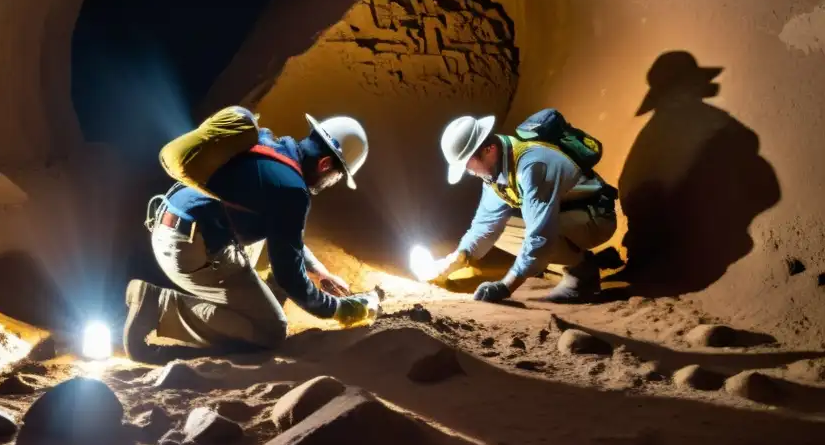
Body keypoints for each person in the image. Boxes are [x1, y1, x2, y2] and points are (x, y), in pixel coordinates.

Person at [123, 113, 379, 359]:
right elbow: (291, 280)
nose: (333, 182)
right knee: (271, 331)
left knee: (269, 243)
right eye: (337, 176)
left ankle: (248, 296)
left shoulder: (266, 142)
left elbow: (284, 234)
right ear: (325, 164)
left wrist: (320, 271)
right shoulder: (292, 191)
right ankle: (159, 305)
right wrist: (340, 309)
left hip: (169, 224)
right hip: (188, 249)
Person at [425, 114, 618, 303]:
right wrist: (458, 258)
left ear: (488, 150)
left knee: (538, 234)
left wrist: (505, 286)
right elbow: (484, 226)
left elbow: (540, 235)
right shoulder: (496, 172)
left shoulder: (532, 166)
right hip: (566, 213)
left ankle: (581, 272)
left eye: (468, 165)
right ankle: (577, 262)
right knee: (503, 229)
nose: (470, 172)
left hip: (597, 217)